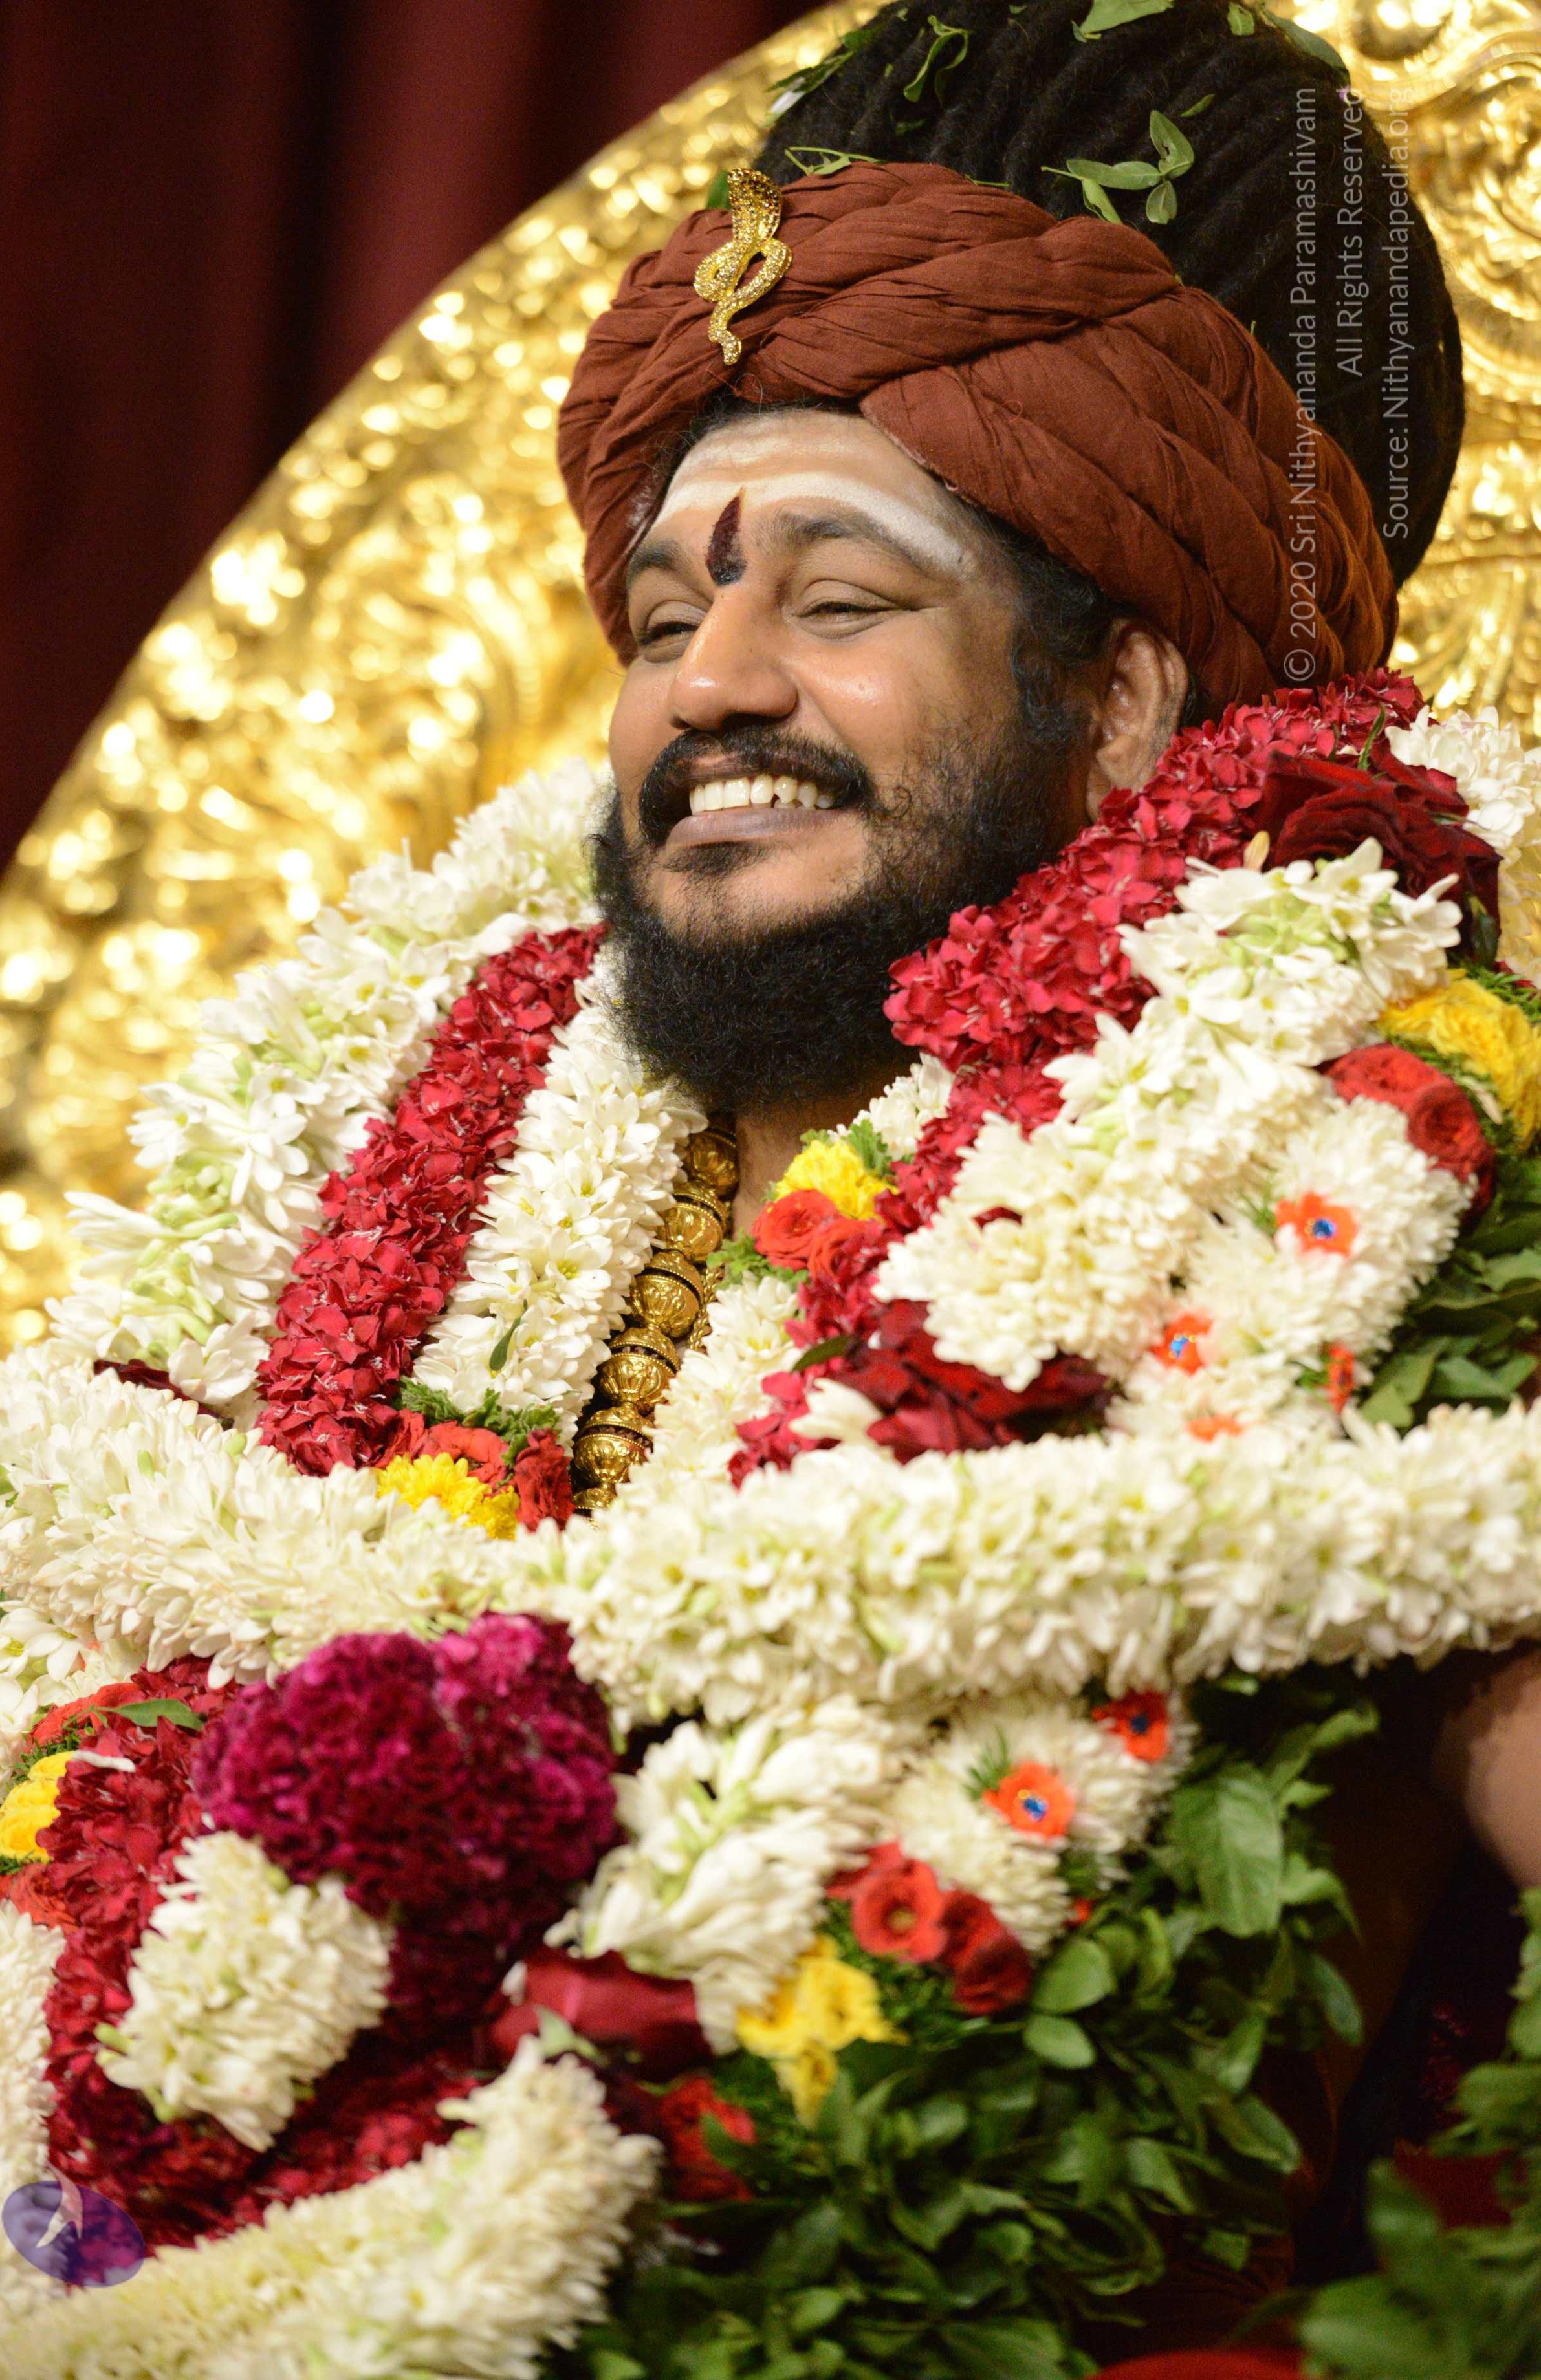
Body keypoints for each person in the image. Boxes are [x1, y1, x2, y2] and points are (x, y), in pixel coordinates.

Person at [554, 0, 1541, 2351]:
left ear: (1120, 704)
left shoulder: (1386, 1196)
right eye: (670, 616)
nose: (713, 684)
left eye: (840, 601)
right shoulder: (425, 1188)